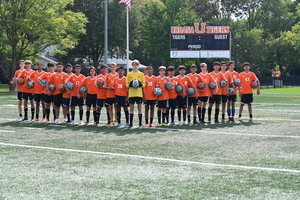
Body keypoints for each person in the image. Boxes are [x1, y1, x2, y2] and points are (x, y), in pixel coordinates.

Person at [125, 60, 146, 128]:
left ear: (138, 65)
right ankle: (131, 123)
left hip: (139, 94)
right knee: (131, 109)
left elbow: (144, 84)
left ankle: (140, 123)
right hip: (131, 94)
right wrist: (130, 84)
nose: (135, 66)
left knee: (139, 108)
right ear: (132, 66)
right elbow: (126, 84)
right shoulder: (129, 74)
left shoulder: (141, 74)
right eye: (134, 65)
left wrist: (140, 85)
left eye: (136, 65)